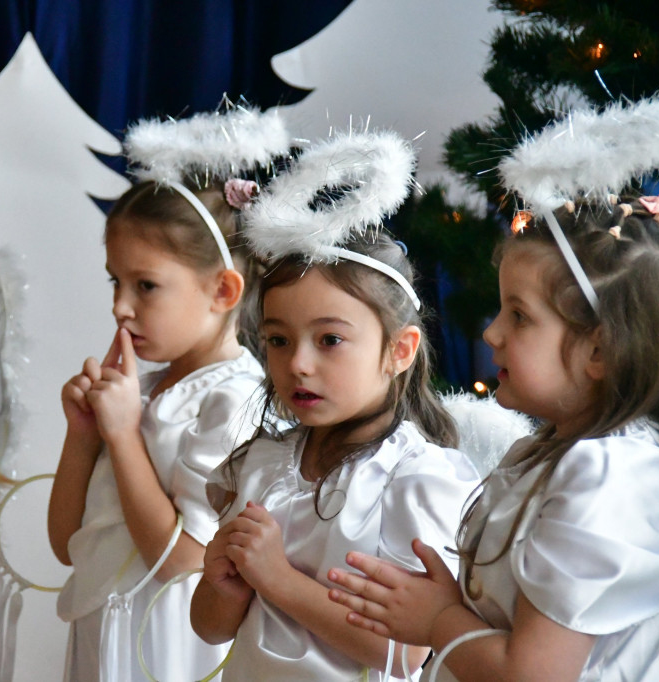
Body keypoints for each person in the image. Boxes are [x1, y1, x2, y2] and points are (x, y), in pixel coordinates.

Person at [328, 98, 659, 682]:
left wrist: (437, 619)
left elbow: (532, 674)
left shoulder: (611, 476)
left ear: (600, 349)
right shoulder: (552, 456)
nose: (491, 333)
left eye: (519, 317)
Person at [190, 131, 481, 681]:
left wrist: (277, 578)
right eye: (278, 340)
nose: (298, 363)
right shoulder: (258, 465)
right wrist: (223, 582)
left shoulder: (412, 481)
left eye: (329, 340)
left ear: (398, 350)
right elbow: (210, 628)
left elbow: (405, 653)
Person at [48, 107, 289, 682]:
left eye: (146, 286)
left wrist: (123, 434)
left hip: (165, 645)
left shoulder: (237, 399)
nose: (119, 306)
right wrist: (82, 437)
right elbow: (66, 544)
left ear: (222, 290)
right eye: (116, 281)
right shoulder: (145, 388)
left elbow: (182, 559)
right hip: (102, 631)